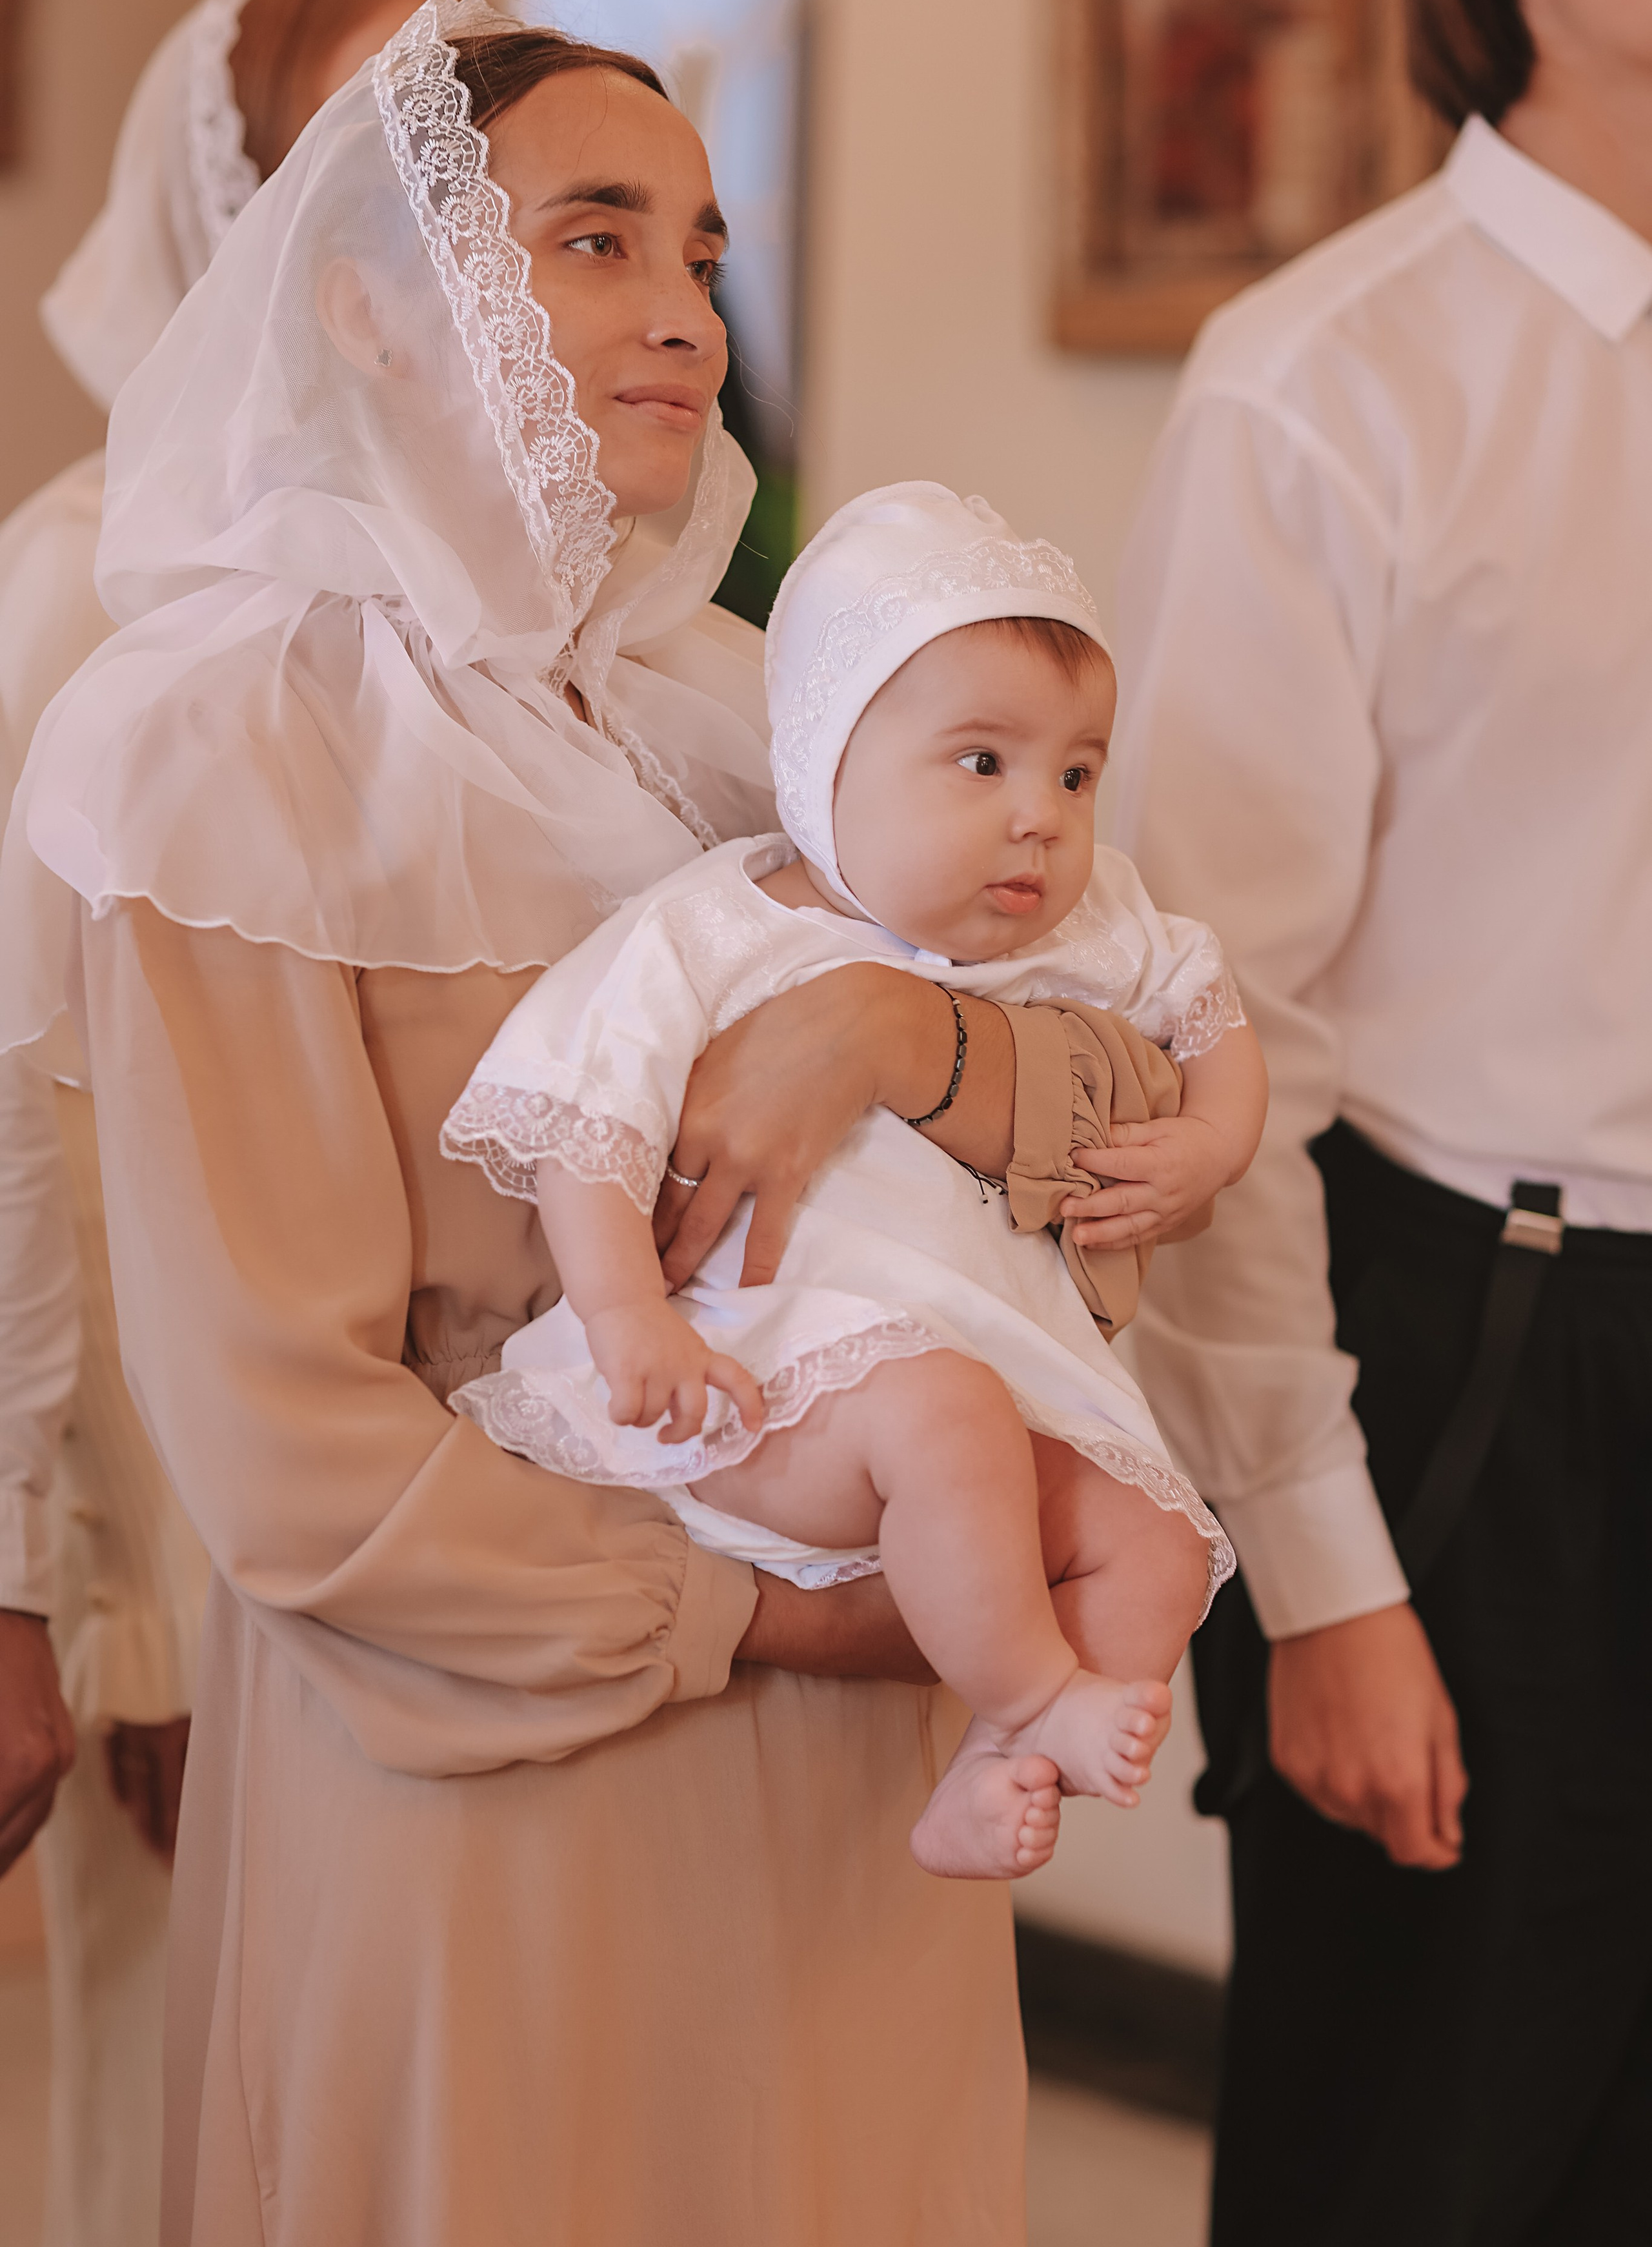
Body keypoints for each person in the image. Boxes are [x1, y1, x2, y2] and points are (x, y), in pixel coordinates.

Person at [0, 0, 1165, 2247]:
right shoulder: (221, 748)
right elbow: (286, 1441)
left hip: (864, 1801)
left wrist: (890, 1040)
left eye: (704, 254)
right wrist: (770, 1612)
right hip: (503, 1755)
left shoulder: (777, 725)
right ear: (373, 292)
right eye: (594, 238)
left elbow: (1128, 1109)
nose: (674, 312)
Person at [1112, 0, 1652, 2247]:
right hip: (1482, 1346)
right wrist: (1321, 1576)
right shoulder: (1329, 379)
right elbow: (1218, 1028)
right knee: (1419, 2202)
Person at [445, 482, 1258, 1880]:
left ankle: (993, 1772)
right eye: (980, 763)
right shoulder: (719, 929)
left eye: (1075, 773)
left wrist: (1208, 1144)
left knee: (1163, 1546)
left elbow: (1211, 1018)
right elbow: (588, 1122)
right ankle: (1029, 1698)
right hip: (755, 1384)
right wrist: (628, 1313)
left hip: (987, 1394)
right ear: (829, 763)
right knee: (940, 1415)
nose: (1039, 822)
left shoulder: (1090, 920)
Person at [0, 0, 461, 2247]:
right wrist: (71, 1594)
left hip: (431, 1444)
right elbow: (8, 1112)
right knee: (170, 2099)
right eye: (362, 125)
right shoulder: (86, 588)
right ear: (241, 191)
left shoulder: (485, 604)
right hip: (166, 1478)